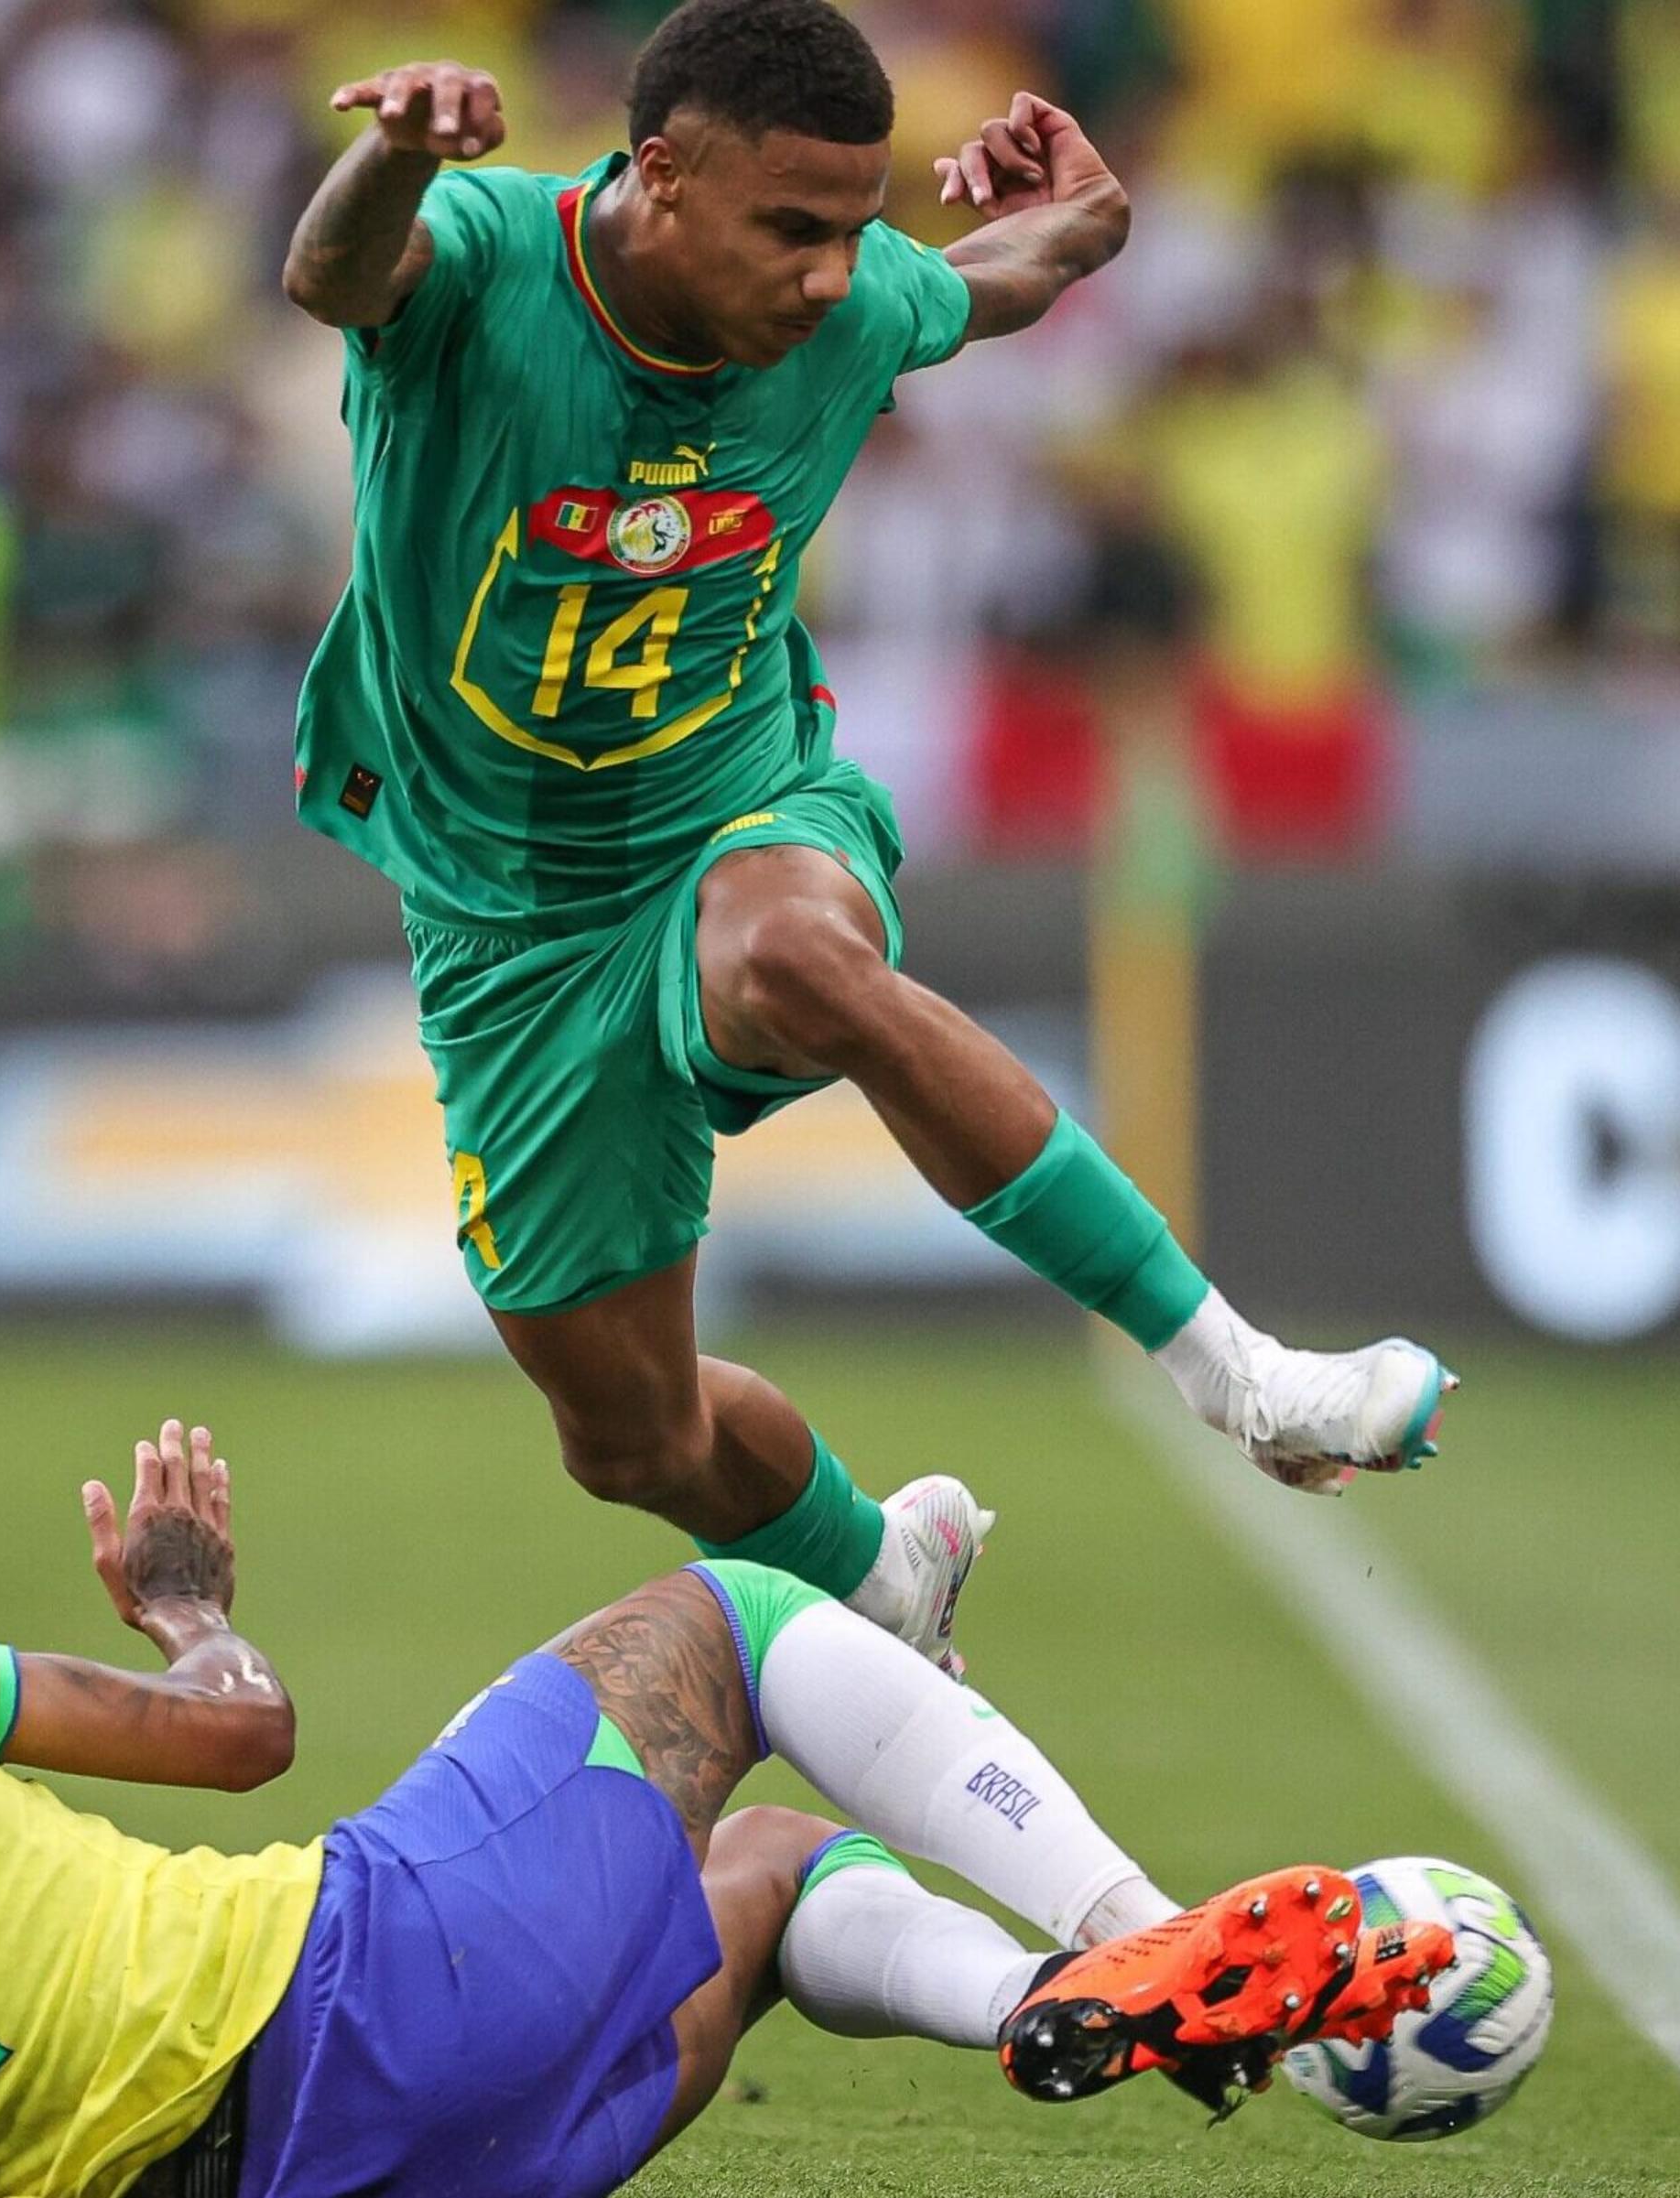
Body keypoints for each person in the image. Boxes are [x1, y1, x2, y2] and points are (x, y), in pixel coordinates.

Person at [276, 0, 1455, 1683]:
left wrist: (1096, 213)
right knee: (632, 1436)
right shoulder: (479, 252)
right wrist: (390, 152)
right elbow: (333, 275)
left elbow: (1015, 271)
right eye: (793, 229)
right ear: (660, 176)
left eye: (856, 227)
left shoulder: (852, 304)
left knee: (794, 955)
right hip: (505, 919)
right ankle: (886, 1571)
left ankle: (1242, 1373)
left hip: (739, 808)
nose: (837, 276)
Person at [0, 1421, 1455, 2196]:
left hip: (336, 2181)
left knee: (753, 1871)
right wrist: (193, 1615)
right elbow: (243, 1737)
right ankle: (1133, 1927)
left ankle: (1027, 2005)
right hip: (346, 2000)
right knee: (726, 1618)